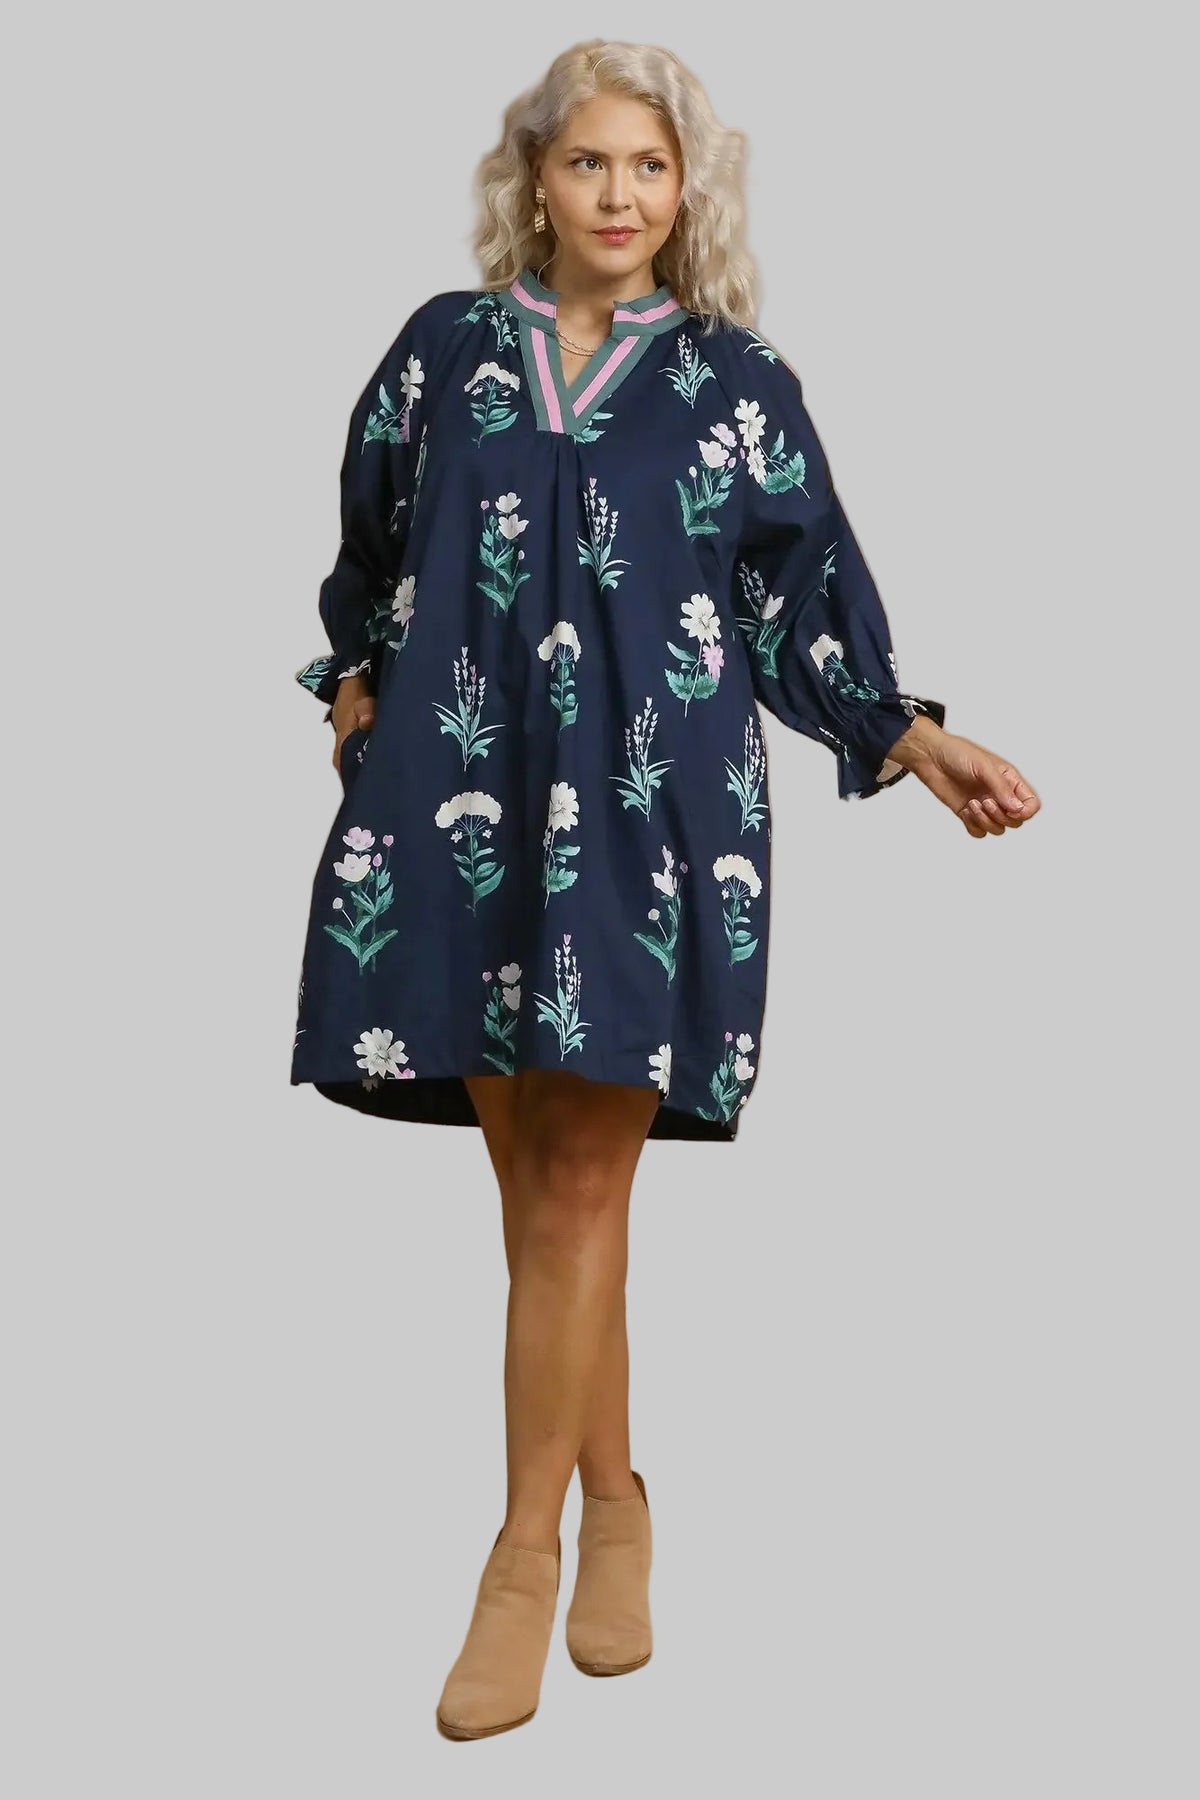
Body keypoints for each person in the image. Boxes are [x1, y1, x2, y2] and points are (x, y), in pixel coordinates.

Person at [289, 39, 1041, 1740]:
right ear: (534, 180)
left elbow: (800, 604)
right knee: (545, 1207)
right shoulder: (444, 352)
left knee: (575, 1196)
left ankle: (521, 1558)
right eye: (587, 164)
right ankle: (621, 1498)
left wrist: (913, 738)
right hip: (460, 801)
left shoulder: (733, 382)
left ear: (687, 187)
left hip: (654, 816)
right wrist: (349, 686)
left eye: (649, 166)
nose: (618, 196)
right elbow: (370, 548)